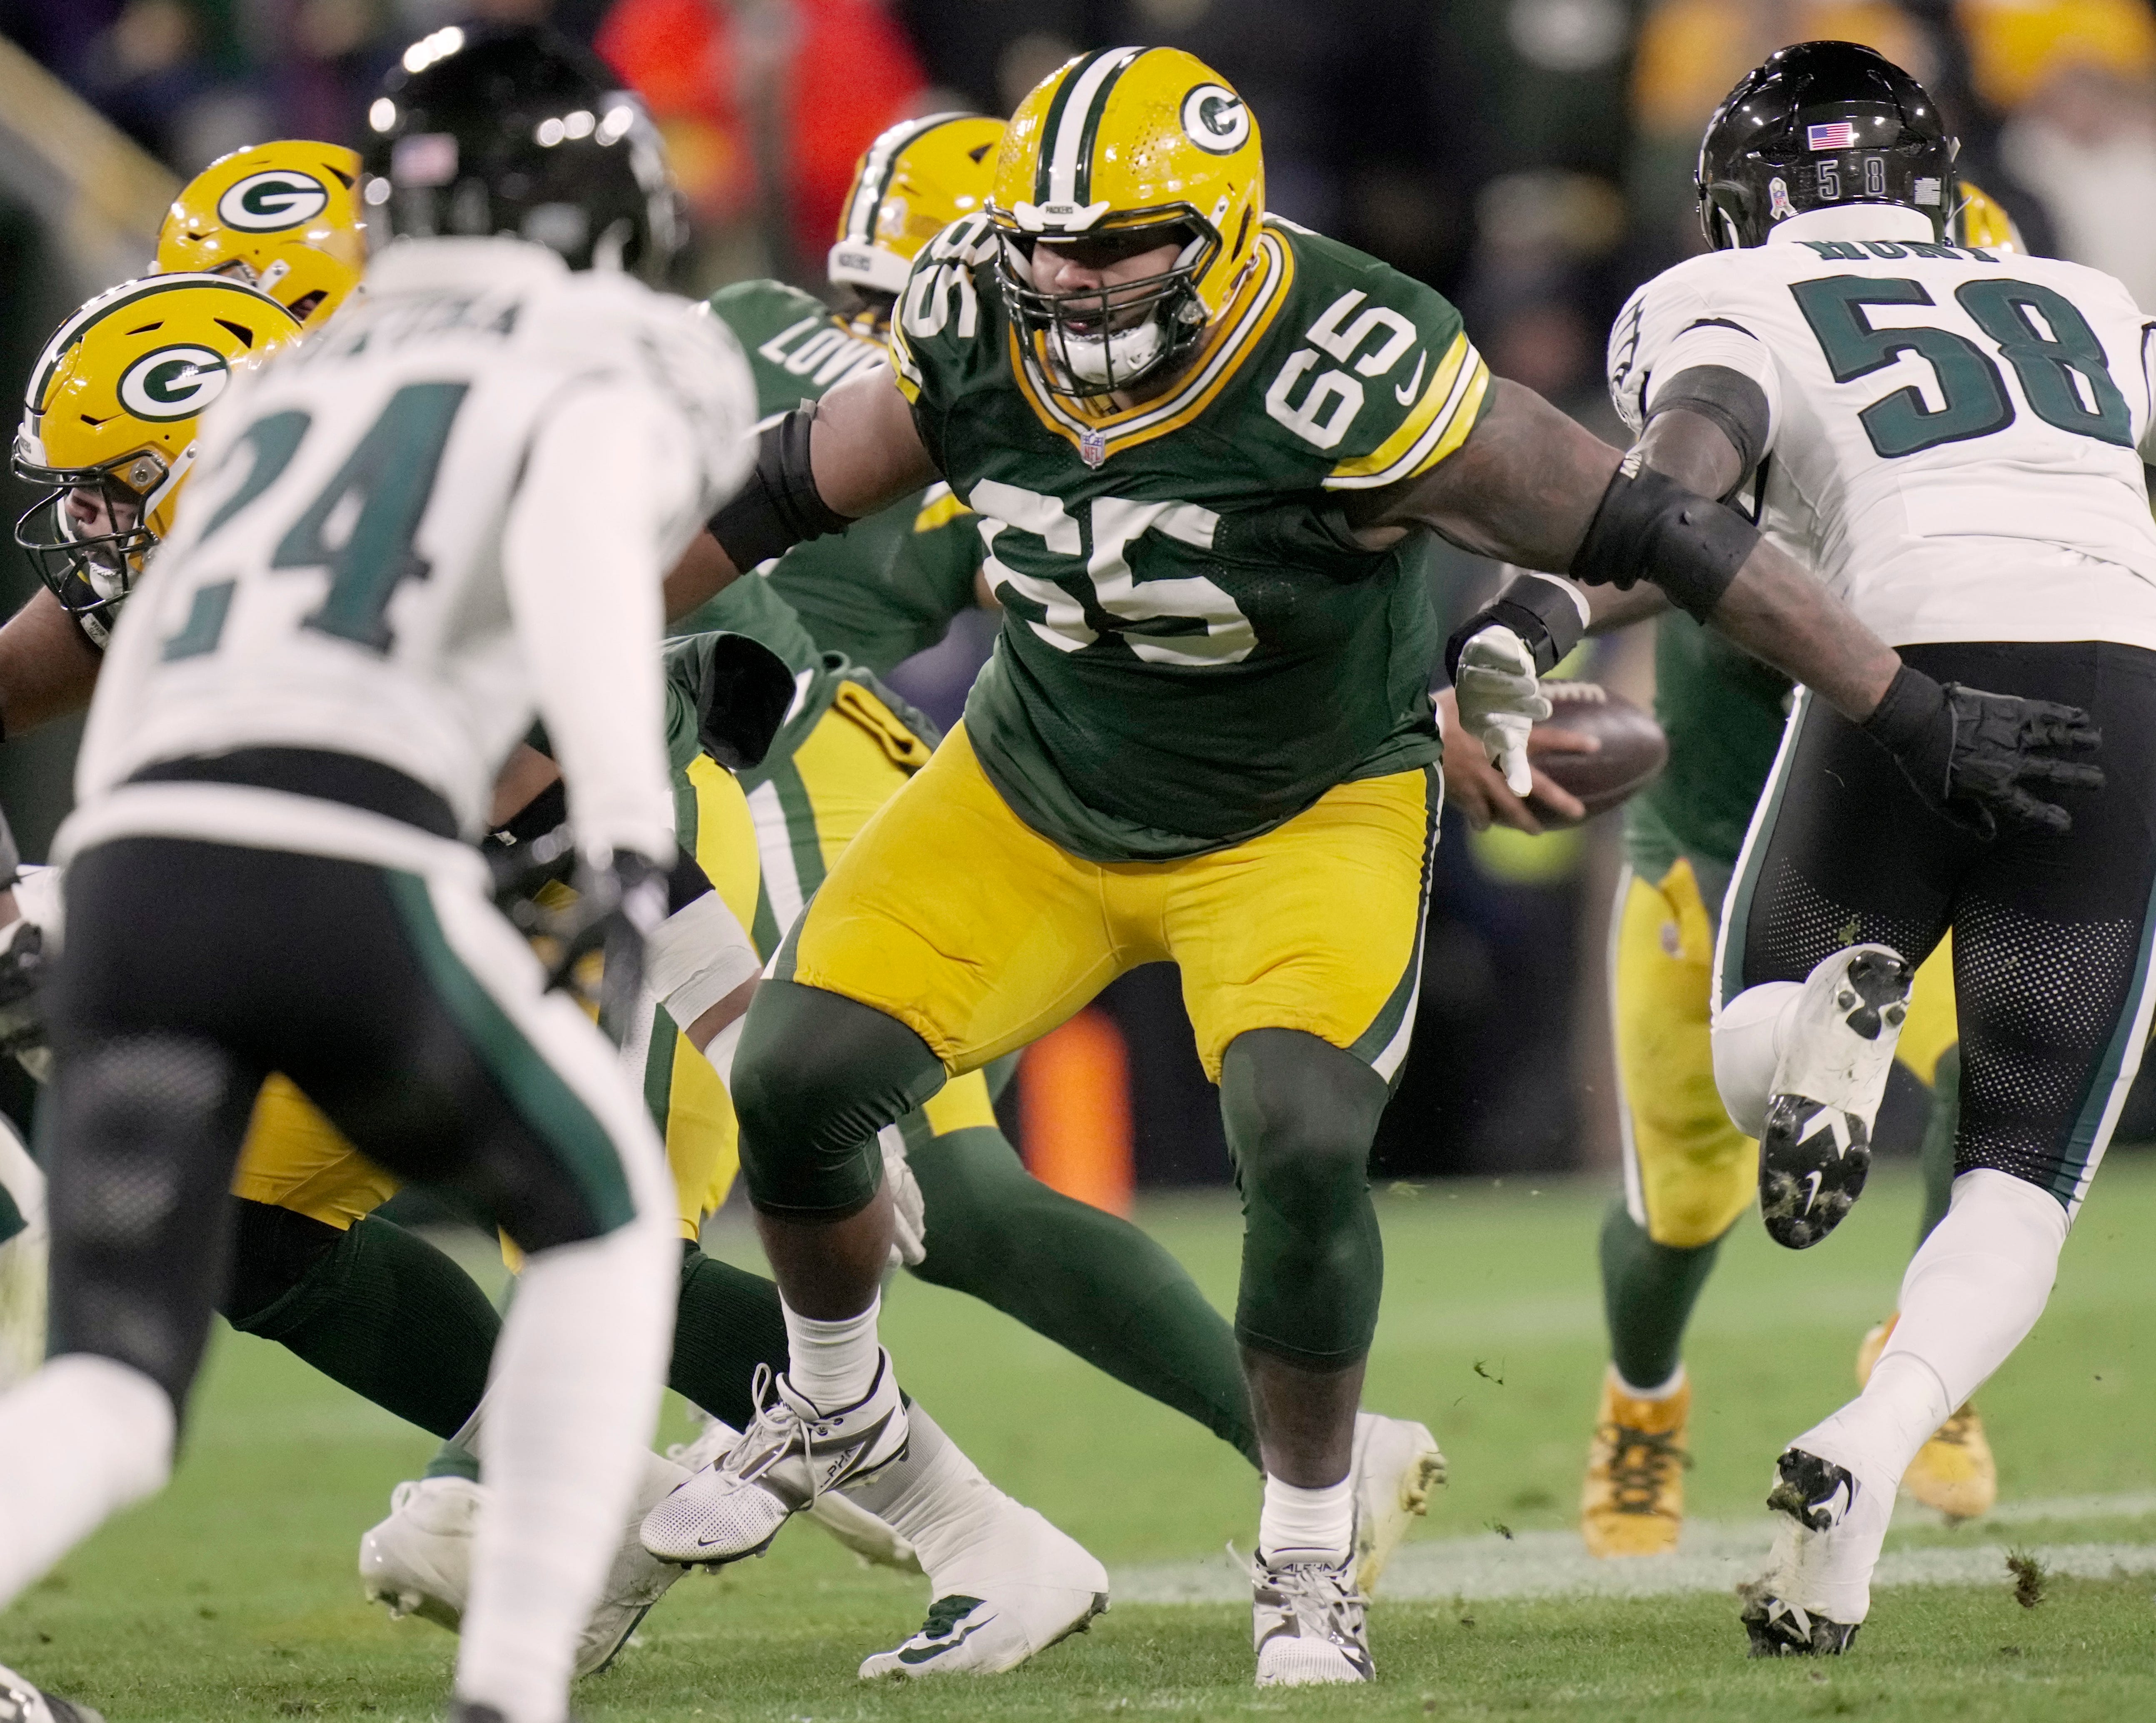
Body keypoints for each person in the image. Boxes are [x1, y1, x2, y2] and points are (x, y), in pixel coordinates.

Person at [645, 44, 2084, 1686]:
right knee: (794, 1083)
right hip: (1034, 789)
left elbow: (1651, 529)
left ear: (1225, 232)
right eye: (1050, 244)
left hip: (1301, 809)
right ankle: (834, 1403)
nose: (1076, 280)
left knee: (1301, 1137)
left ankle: (1308, 1555)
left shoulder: (1350, 356)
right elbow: (772, 491)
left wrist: (1898, 704)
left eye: (1119, 247)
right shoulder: (980, 322)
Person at [0, 25, 759, 1723]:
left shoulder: (280, 380)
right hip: (350, 847)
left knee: (115, 1384)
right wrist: (637, 843)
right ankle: (511, 1691)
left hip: (127, 870)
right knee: (601, 1223)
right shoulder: (599, 348)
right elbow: (578, 561)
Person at [1608, 40, 2148, 1656]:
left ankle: (1821, 1027)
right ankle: (1877, 1438)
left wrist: (1543, 600)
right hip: (2117, 681)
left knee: (1745, 1042)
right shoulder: (2078, 294)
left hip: (1903, 671)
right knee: (2019, 1174)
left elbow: (1673, 488)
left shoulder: (1722, 300)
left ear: (1736, 203)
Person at [1572, 180, 2031, 1558]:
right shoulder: (1773, 423)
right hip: (1711, 866)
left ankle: (1920, 1354)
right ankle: (1642, 1401)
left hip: (1903, 857)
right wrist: (1539, 616)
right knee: (1682, 1211)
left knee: (1991, 1082)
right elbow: (1644, 532)